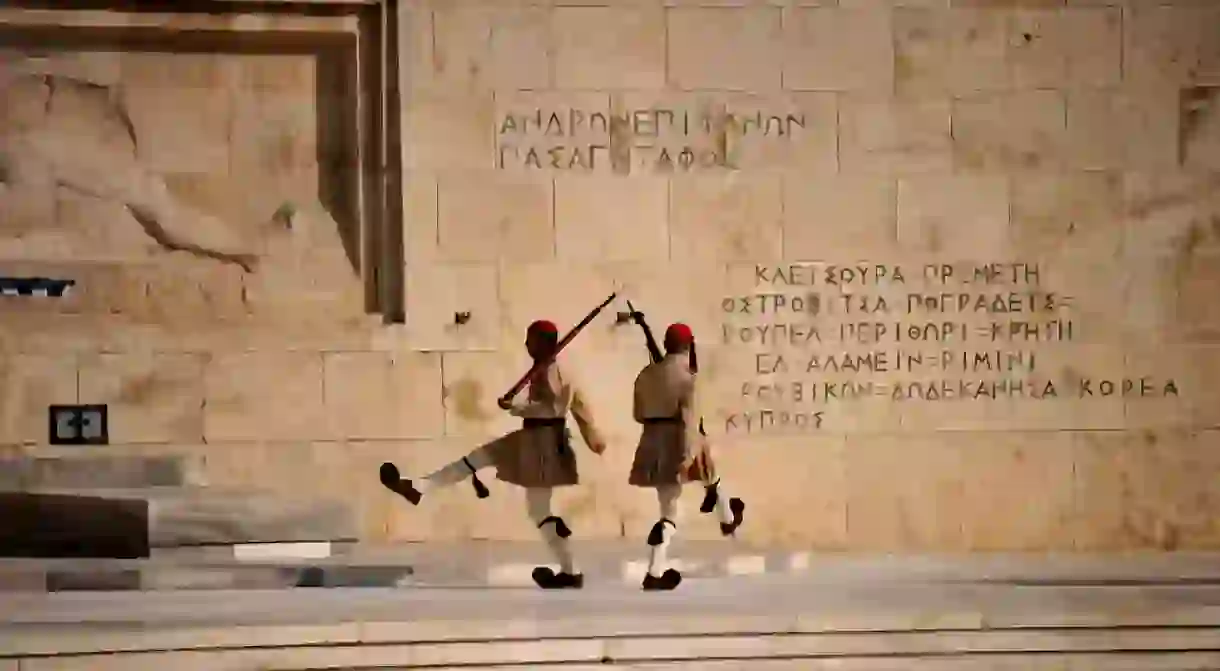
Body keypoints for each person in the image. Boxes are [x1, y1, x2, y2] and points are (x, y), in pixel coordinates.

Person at [379, 320, 606, 590]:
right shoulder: (551, 370)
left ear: (544, 344)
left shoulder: (554, 373)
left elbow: (551, 408)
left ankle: (571, 571)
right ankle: (419, 486)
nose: (526, 344)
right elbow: (579, 406)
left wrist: (515, 406)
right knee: (484, 461)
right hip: (536, 439)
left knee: (538, 510)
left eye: (530, 340)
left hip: (541, 442)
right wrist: (594, 438)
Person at [629, 323, 744, 591]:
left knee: (678, 498)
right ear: (688, 345)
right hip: (681, 438)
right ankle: (656, 571)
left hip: (653, 440)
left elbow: (638, 414)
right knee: (685, 498)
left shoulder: (645, 375)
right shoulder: (689, 379)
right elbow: (691, 422)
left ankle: (727, 518)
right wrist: (688, 455)